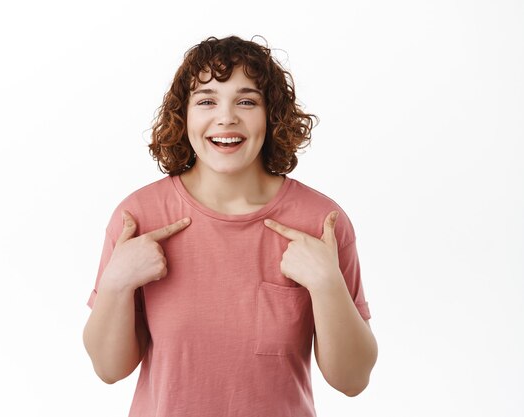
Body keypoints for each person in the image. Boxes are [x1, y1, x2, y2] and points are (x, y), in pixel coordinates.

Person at [83, 35, 378, 417]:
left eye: (246, 101)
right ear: (183, 115)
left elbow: (352, 380)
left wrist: (326, 285)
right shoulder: (138, 217)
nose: (226, 117)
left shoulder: (320, 221)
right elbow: (109, 369)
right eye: (206, 100)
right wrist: (116, 283)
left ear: (271, 114)